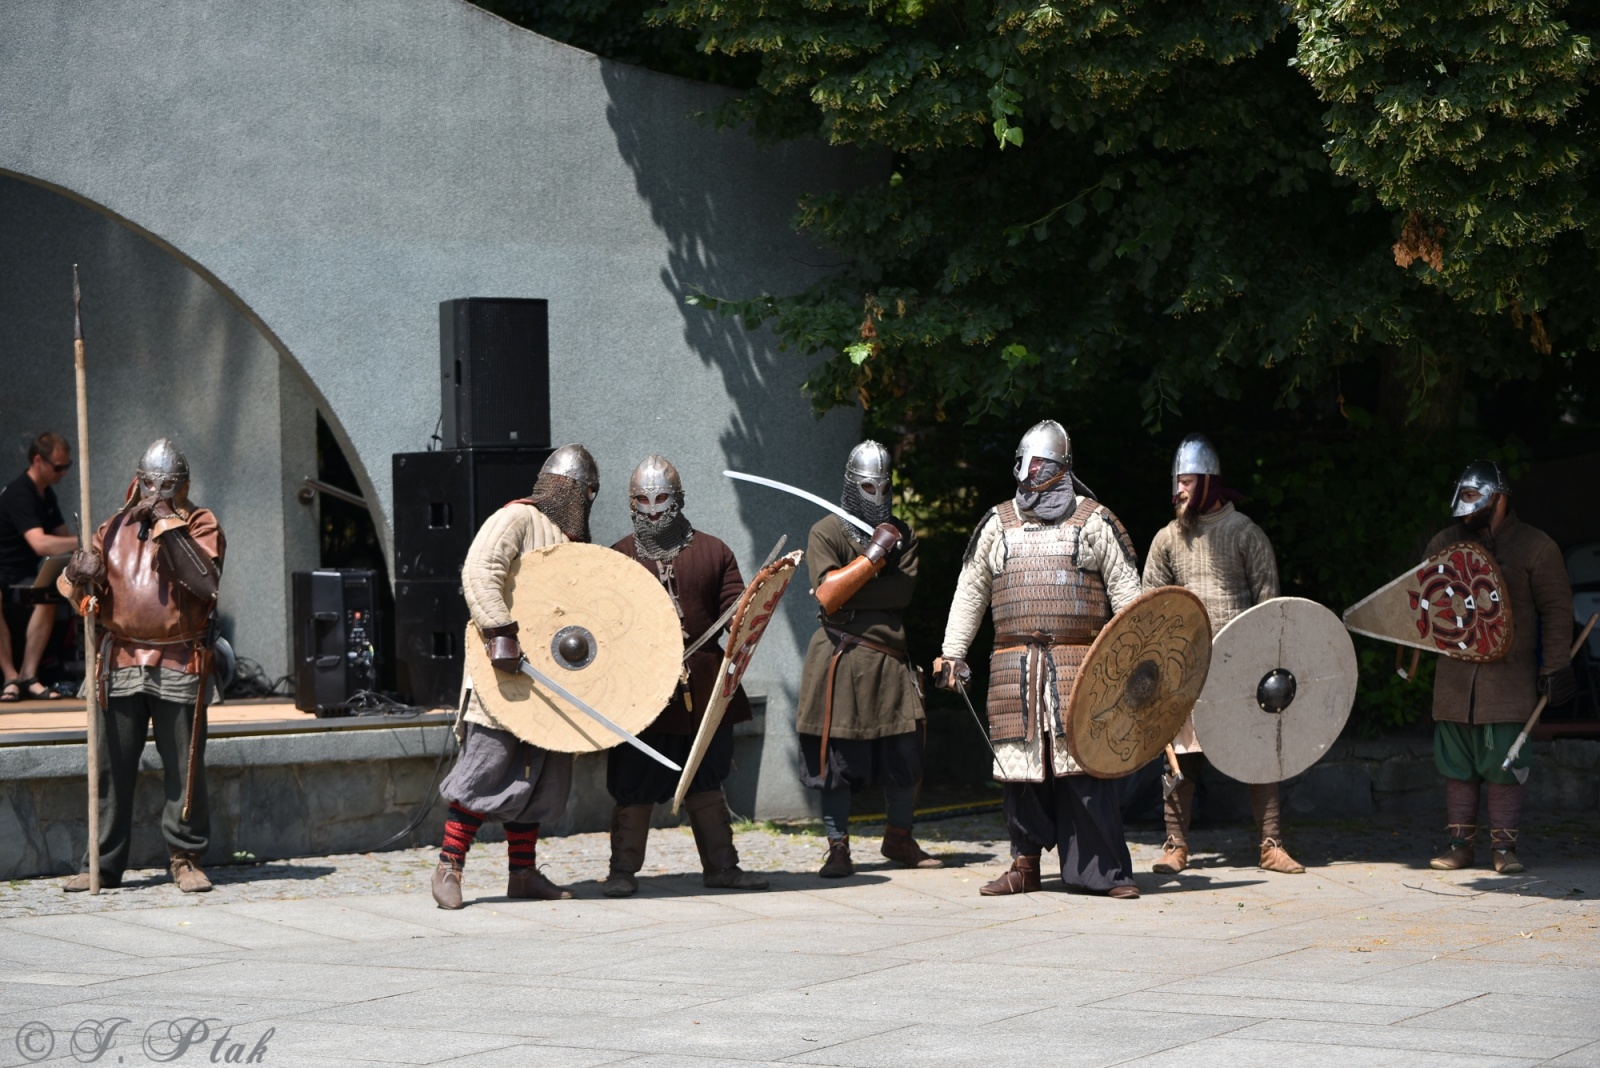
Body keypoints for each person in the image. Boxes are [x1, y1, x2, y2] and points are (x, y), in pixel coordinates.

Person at [934, 420, 1143, 899]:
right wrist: (952, 652)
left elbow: (1129, 596)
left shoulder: (1094, 521)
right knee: (1021, 772)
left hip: (1081, 665)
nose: (1031, 475)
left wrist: (1138, 656)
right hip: (1013, 664)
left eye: (1042, 465)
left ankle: (1103, 871)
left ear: (1063, 468)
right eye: (1025, 464)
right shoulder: (996, 524)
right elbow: (970, 591)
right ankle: (1024, 865)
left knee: (1085, 770)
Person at [433, 444, 597, 909]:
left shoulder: (573, 540)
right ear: (565, 489)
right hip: (505, 673)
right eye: (585, 492)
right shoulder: (516, 520)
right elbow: (481, 570)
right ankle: (449, 865)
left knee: (542, 778)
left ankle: (522, 874)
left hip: (552, 677)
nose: (588, 501)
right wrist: (500, 633)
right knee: (487, 767)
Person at [600, 455, 768, 896]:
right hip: (644, 694)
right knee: (633, 780)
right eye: (642, 499)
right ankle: (621, 872)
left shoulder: (714, 552)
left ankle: (722, 868)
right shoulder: (618, 557)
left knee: (707, 776)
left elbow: (738, 611)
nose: (653, 509)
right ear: (631, 503)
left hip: (705, 686)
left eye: (661, 499)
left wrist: (746, 615)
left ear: (678, 499)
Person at [62, 439, 224, 893]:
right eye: (150, 485)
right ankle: (102, 863)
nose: (155, 494)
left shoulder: (200, 524)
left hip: (180, 657)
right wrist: (80, 573)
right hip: (120, 660)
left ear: (182, 486)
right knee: (111, 769)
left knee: (185, 770)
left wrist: (166, 525)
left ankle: (186, 857)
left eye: (166, 487)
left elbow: (205, 583)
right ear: (137, 482)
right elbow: (78, 597)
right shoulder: (112, 527)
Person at [1142, 433, 1304, 875]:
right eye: (1177, 481)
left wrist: (1269, 661)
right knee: (1180, 756)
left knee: (1259, 752)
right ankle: (1175, 845)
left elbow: (1272, 607)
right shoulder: (1167, 540)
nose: (1178, 490)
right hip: (1186, 667)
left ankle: (1271, 845)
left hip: (1242, 667)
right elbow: (1149, 607)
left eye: (1188, 482)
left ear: (1209, 482)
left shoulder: (1245, 533)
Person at [795, 440, 940, 878]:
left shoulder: (905, 533)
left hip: (890, 659)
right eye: (867, 486)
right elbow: (829, 595)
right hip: (841, 657)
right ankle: (838, 847)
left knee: (905, 753)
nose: (875, 494)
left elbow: (902, 593)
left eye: (882, 486)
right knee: (836, 760)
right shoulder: (826, 531)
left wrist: (856, 578)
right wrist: (874, 556)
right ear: (852, 485)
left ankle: (898, 838)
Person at [1426, 461, 1573, 874]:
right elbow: (1423, 599)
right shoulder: (1444, 543)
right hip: (1454, 677)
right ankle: (1460, 846)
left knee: (1504, 765)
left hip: (1508, 682)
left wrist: (1556, 665)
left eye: (1475, 502)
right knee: (1456, 765)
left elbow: (1558, 611)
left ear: (1500, 499)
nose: (1467, 513)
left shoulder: (1537, 547)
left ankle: (1504, 849)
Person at [0, 432, 80, 701]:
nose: (63, 473)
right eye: (59, 467)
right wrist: (81, 540)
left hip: (22, 574)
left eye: (66, 467)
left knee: (48, 592)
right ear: (38, 460)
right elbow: (40, 544)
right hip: (3, 572)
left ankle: (28, 676)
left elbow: (64, 538)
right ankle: (10, 676)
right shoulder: (19, 493)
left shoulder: (45, 494)